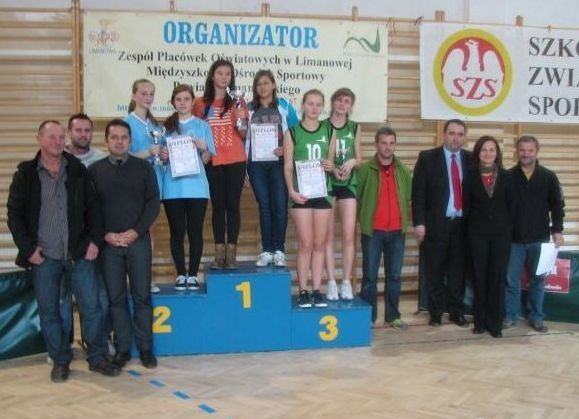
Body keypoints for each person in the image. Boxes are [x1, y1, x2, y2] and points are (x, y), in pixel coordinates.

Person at [7, 120, 120, 382]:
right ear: (39, 139)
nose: (58, 142)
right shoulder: (25, 174)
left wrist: (94, 242)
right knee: (50, 312)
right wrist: (28, 249)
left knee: (92, 308)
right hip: (44, 258)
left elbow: (94, 209)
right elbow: (15, 216)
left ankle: (97, 357)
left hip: (79, 255)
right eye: (52, 137)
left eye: (61, 137)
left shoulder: (78, 170)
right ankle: (60, 360)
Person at [89, 119, 160, 369]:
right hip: (109, 246)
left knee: (142, 296)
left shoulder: (144, 168)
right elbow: (91, 209)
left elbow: (153, 203)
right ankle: (122, 349)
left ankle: (146, 349)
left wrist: (136, 231)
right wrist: (105, 234)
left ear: (130, 141)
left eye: (124, 137)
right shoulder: (95, 171)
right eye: (114, 137)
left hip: (138, 242)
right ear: (106, 140)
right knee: (116, 299)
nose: (119, 141)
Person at [412, 119, 472, 327]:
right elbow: (418, 193)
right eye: (452, 133)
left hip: (462, 225)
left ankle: (456, 312)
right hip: (436, 224)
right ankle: (436, 313)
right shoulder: (427, 158)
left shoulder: (471, 159)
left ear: (464, 137)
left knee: (458, 272)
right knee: (435, 271)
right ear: (443, 135)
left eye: (460, 134)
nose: (455, 138)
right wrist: (419, 222)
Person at [504, 135, 565, 333]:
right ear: (516, 152)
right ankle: (510, 315)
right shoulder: (507, 177)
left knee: (538, 281)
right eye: (522, 150)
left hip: (540, 240)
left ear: (537, 152)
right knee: (511, 281)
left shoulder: (549, 177)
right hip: (513, 240)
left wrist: (557, 230)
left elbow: (557, 206)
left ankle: (536, 317)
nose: (526, 154)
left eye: (530, 150)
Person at [193, 59, 248, 269]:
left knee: (233, 206)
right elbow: (196, 132)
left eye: (228, 74)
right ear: (212, 75)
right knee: (217, 207)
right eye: (220, 73)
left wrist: (242, 119)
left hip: (236, 159)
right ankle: (219, 253)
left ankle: (231, 254)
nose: (224, 77)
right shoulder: (200, 103)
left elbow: (244, 134)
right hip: (212, 161)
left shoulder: (238, 102)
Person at [283, 89, 335, 308]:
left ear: (322, 107)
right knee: (305, 244)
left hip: (322, 192)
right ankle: (303, 290)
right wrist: (291, 191)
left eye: (318, 104)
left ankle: (316, 290)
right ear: (303, 106)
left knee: (319, 244)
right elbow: (287, 166)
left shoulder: (329, 130)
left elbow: (331, 164)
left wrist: (331, 166)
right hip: (301, 193)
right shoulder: (292, 133)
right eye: (310, 104)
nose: (314, 108)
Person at [161, 84, 215, 290]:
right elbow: (162, 160)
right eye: (178, 99)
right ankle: (180, 274)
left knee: (195, 232)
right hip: (172, 188)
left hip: (197, 188)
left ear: (193, 102)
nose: (182, 103)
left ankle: (192, 274)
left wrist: (204, 148)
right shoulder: (166, 128)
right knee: (176, 232)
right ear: (173, 103)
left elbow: (207, 159)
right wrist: (163, 155)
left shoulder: (203, 126)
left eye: (186, 99)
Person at [66, 113, 112, 353]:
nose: (83, 135)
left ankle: (99, 340)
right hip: (64, 240)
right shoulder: (58, 159)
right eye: (78, 130)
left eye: (87, 131)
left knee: (100, 295)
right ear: (69, 133)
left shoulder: (102, 159)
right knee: (63, 298)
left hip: (96, 237)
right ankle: (63, 346)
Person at [357, 127, 411, 329]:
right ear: (376, 144)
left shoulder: (403, 170)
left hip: (397, 232)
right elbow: (356, 198)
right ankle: (368, 318)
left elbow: (409, 198)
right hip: (373, 232)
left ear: (395, 145)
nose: (388, 147)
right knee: (369, 277)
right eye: (384, 143)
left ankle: (393, 316)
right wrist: (363, 219)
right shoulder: (365, 170)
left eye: (391, 143)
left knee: (394, 277)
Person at [246, 70, 298, 268]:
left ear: (274, 85)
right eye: (259, 84)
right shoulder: (249, 109)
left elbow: (296, 133)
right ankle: (267, 250)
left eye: (266, 83)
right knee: (264, 206)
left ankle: (279, 250)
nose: (262, 87)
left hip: (279, 163)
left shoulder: (284, 106)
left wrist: (286, 149)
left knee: (280, 205)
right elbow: (244, 138)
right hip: (256, 164)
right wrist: (244, 170)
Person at [464, 136, 512, 338]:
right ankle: (480, 322)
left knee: (497, 278)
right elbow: (466, 207)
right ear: (478, 153)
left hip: (501, 235)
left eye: (492, 150)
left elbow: (512, 207)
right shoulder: (470, 176)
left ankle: (495, 324)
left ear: (497, 153)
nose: (488, 153)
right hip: (477, 234)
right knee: (479, 277)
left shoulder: (508, 176)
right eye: (484, 149)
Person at [125, 78, 164, 293]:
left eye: (151, 94)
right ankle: (132, 281)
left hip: (154, 183)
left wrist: (163, 154)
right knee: (134, 233)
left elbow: (161, 154)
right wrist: (147, 152)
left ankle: (144, 281)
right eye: (143, 93)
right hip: (133, 185)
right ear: (134, 95)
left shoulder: (155, 125)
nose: (148, 97)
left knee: (149, 233)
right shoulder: (127, 123)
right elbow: (122, 155)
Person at [324, 88, 361, 301]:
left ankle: (346, 281)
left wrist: (353, 161)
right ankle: (331, 282)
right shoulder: (323, 126)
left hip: (348, 183)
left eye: (346, 101)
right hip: (328, 182)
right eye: (339, 100)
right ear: (333, 102)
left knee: (348, 235)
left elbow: (360, 158)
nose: (342, 104)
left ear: (350, 106)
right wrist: (331, 167)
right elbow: (320, 156)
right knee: (328, 236)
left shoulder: (354, 127)